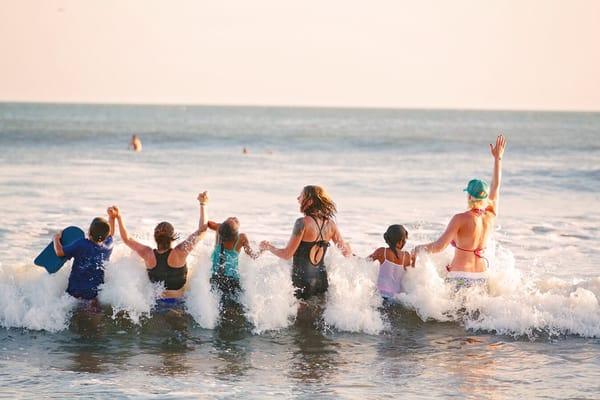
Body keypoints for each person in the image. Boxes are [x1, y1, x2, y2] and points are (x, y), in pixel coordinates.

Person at [412, 134, 506, 288]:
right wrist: (498, 159)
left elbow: (439, 246)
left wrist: (418, 249)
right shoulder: (490, 215)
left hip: (460, 277)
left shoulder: (460, 218)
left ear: (469, 195)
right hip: (482, 277)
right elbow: (496, 186)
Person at [112, 192, 209, 303]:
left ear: (155, 236)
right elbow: (202, 231)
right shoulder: (180, 252)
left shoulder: (147, 254)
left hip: (156, 306)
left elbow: (127, 239)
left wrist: (118, 217)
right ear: (172, 237)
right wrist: (203, 204)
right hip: (178, 305)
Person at [260, 185, 352, 300]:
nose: (298, 198)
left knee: (300, 317)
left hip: (302, 281)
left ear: (310, 201)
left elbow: (287, 254)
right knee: (319, 317)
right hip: (322, 280)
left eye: (301, 196)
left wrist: (269, 247)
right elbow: (347, 253)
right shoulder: (331, 224)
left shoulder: (302, 223)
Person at [53, 209, 115, 302]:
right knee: (92, 306)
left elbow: (59, 252)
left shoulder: (81, 244)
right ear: (106, 236)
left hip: (75, 290)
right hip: (94, 292)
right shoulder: (109, 246)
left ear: (89, 232)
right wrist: (112, 217)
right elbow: (111, 233)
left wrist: (56, 239)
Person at [208, 217, 261, 302]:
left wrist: (203, 205)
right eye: (232, 220)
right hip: (232, 280)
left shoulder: (219, 231)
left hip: (215, 277)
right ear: (236, 235)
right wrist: (263, 249)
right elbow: (253, 255)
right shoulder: (241, 238)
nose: (233, 218)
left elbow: (208, 223)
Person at [367, 224, 414, 299]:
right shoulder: (407, 256)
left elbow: (365, 262)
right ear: (400, 241)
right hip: (396, 298)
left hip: (381, 296)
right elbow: (411, 275)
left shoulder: (382, 252)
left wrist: (351, 255)